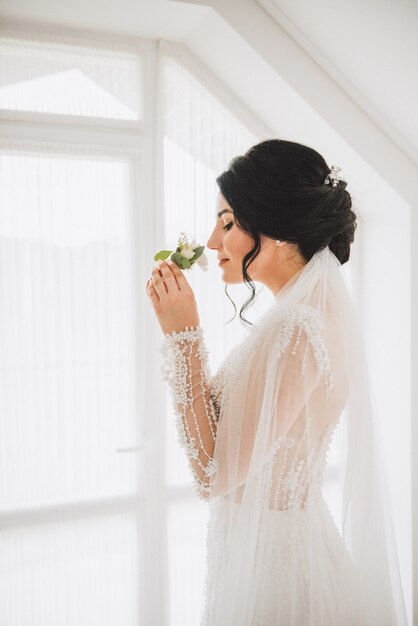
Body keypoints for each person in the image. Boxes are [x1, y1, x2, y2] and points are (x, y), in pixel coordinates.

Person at [146, 139, 408, 625]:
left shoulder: (297, 327)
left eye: (227, 222)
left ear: (276, 227)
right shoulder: (304, 315)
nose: (210, 240)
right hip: (273, 551)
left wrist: (183, 338)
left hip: (276, 576)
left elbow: (214, 474)